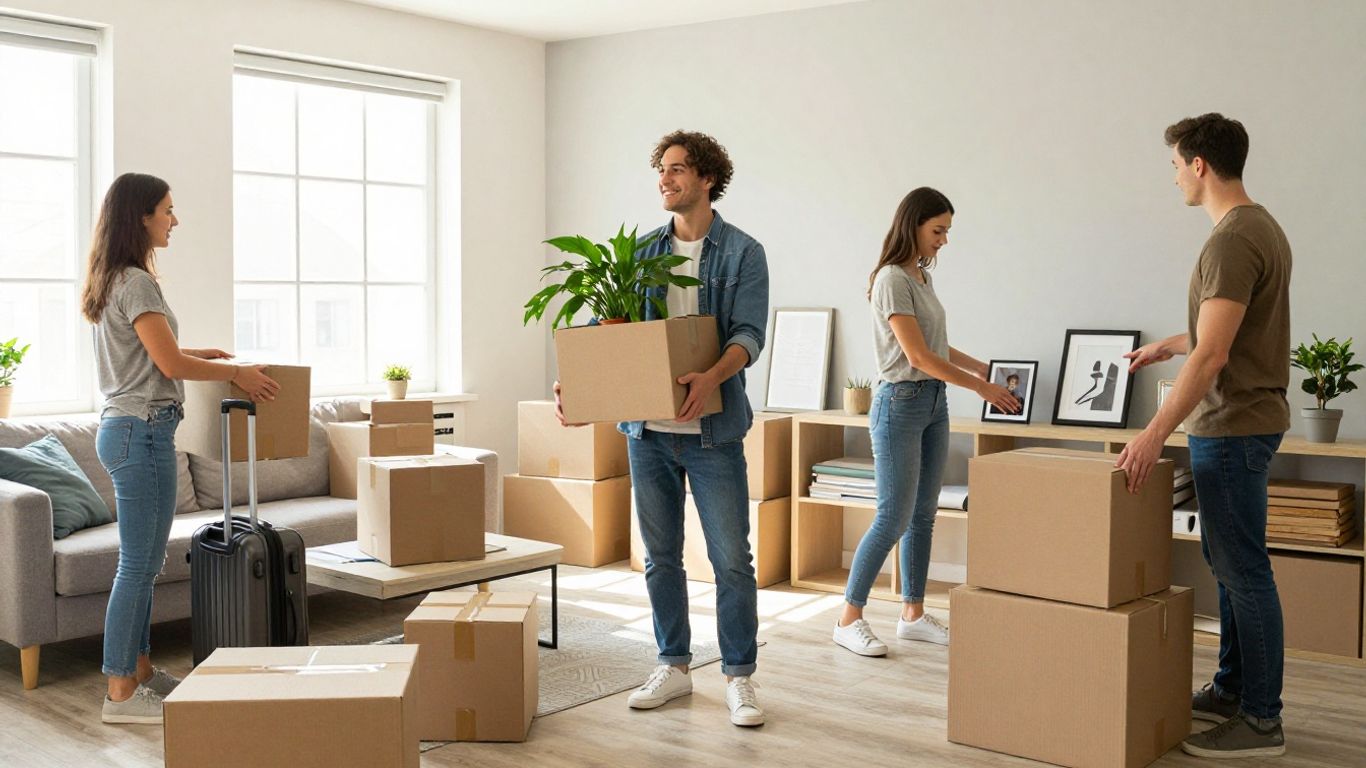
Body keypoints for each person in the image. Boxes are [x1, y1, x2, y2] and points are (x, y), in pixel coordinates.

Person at [554, 130, 769, 726]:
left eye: (677, 170)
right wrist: (575, 384)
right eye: (661, 171)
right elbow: (610, 334)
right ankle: (674, 665)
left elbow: (748, 335)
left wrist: (713, 378)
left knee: (730, 561)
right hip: (646, 434)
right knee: (659, 557)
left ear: (706, 178)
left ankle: (738, 676)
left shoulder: (743, 253)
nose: (665, 180)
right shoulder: (643, 253)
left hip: (713, 432)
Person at [1117, 113, 1291, 759]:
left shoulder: (1229, 240)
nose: (1174, 179)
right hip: (1249, 422)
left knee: (1244, 571)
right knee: (1230, 566)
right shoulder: (1260, 226)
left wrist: (1154, 432)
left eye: (1175, 165)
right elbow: (1225, 333)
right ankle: (1231, 689)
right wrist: (1174, 342)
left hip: (1232, 426)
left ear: (1198, 165)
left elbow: (1216, 355)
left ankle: (1261, 720)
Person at [80, 173, 278, 724]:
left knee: (143, 562)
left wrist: (204, 353)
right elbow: (166, 366)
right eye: (168, 209)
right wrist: (235, 371)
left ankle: (140, 672)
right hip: (140, 431)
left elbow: (146, 352)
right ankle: (120, 691)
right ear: (141, 216)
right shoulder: (137, 282)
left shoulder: (114, 278)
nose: (175, 218)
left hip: (133, 428)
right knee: (138, 565)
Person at [832, 187, 1019, 657]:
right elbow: (915, 356)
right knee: (892, 515)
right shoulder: (892, 278)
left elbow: (935, 346)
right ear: (913, 224)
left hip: (933, 402)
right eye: (938, 231)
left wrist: (981, 369)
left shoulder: (921, 278)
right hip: (900, 402)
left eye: (947, 232)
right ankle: (848, 618)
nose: (944, 240)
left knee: (923, 513)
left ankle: (912, 613)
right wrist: (981, 388)